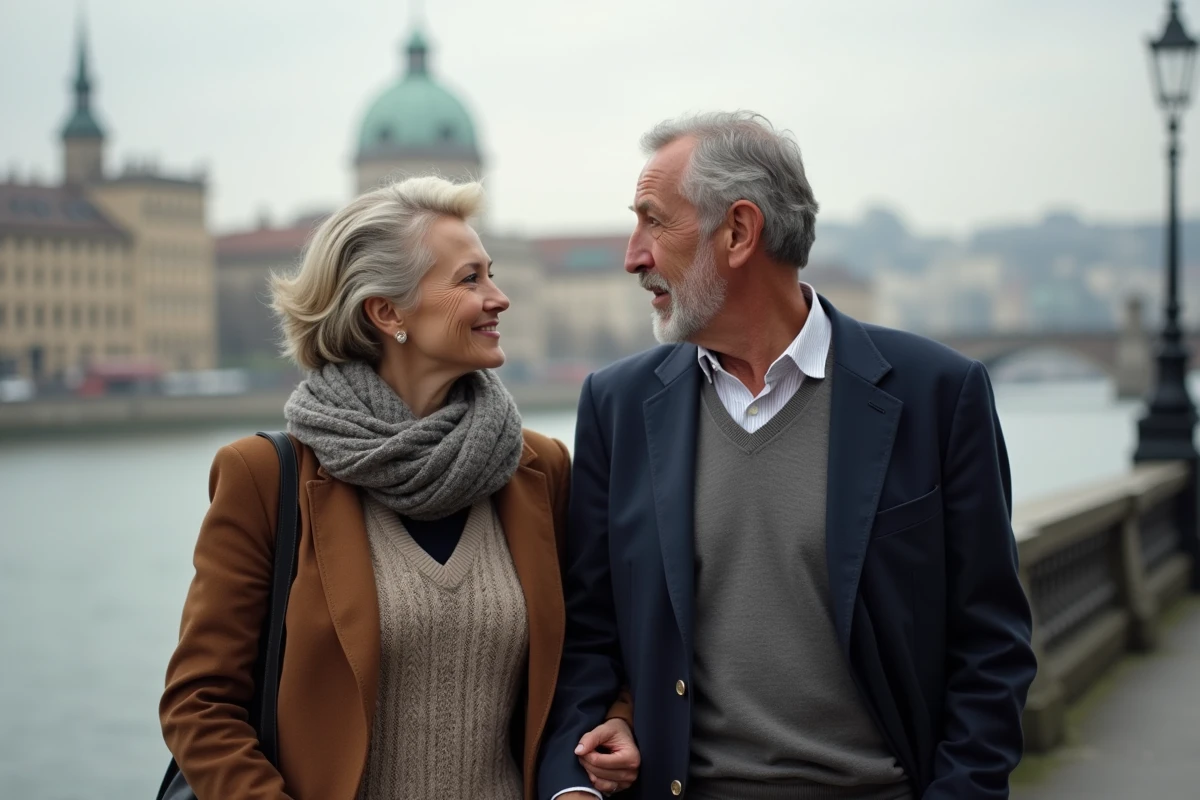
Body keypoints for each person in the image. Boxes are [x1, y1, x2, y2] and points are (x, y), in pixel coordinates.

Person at [539, 112, 1037, 800]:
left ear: (740, 232)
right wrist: (579, 774)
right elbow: (588, 636)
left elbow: (992, 646)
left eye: (655, 222)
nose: (633, 255)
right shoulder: (616, 407)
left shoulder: (938, 395)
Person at [160, 177, 639, 800]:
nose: (500, 298)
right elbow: (199, 705)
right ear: (387, 312)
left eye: (491, 274)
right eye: (470, 280)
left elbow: (594, 650)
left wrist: (617, 722)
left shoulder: (539, 472)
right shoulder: (263, 477)